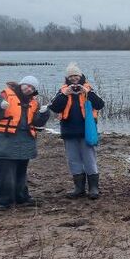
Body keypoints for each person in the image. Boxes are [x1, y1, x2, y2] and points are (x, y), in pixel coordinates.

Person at [0, 76, 51, 210]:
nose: (29, 89)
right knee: (5, 173)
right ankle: (2, 201)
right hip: (5, 140)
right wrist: (0, 107)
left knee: (21, 172)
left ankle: (21, 197)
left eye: (32, 88)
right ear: (21, 84)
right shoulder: (4, 95)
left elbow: (37, 122)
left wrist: (44, 114)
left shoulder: (33, 102)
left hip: (25, 141)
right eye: (27, 85)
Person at [48, 63, 105, 200]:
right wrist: (64, 94)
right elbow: (55, 107)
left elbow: (100, 104)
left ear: (80, 76)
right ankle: (79, 188)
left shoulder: (88, 89)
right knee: (74, 160)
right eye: (71, 76)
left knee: (89, 160)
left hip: (87, 131)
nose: (74, 79)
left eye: (76, 76)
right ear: (67, 78)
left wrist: (87, 93)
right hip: (68, 131)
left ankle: (93, 188)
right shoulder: (62, 91)